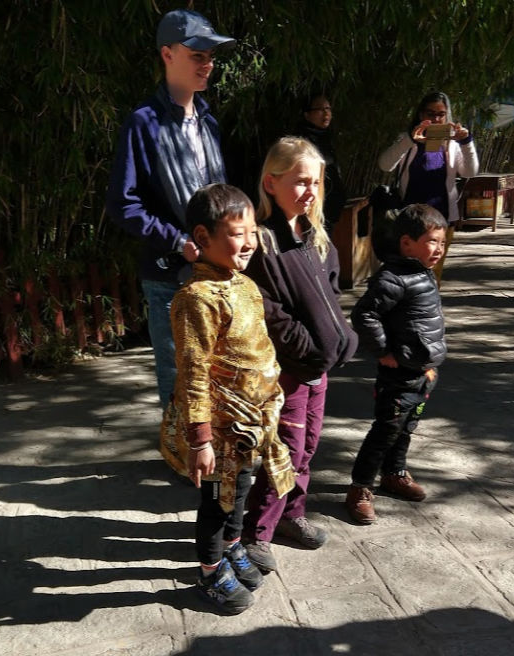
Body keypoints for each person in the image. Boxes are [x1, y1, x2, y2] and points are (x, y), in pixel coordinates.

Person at [158, 184, 295, 615]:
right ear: (202, 236)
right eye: (238, 233)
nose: (250, 242)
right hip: (218, 432)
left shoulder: (245, 286)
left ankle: (234, 546)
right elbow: (193, 370)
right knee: (217, 500)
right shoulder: (196, 300)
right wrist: (200, 439)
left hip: (249, 426)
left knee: (241, 491)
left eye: (253, 231)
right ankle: (210, 571)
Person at [105, 9, 234, 420]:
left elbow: (219, 196)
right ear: (167, 54)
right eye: (197, 55)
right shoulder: (144, 123)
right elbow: (123, 203)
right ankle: (181, 452)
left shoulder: (208, 120)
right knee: (181, 382)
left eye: (210, 56)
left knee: (219, 377)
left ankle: (212, 452)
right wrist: (177, 240)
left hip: (216, 272)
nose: (207, 64)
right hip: (169, 277)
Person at [241, 137, 358, 572]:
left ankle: (291, 515)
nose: (310, 191)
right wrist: (308, 349)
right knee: (284, 450)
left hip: (317, 368)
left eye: (315, 182)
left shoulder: (315, 236)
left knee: (307, 447)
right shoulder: (261, 243)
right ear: (271, 183)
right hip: (288, 370)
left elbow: (331, 294)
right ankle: (257, 532)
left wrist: (339, 339)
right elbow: (267, 312)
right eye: (300, 181)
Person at [344, 204, 447, 524]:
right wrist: (383, 351)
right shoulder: (393, 278)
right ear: (406, 243)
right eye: (432, 242)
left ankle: (395, 472)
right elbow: (364, 314)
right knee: (385, 430)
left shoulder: (423, 273)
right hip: (397, 374)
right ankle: (360, 487)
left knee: (406, 428)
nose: (439, 249)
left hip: (422, 372)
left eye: (442, 242)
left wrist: (429, 364)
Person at [377, 91, 479, 283]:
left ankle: (429, 301)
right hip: (410, 219)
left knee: (433, 272)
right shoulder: (408, 140)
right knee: (405, 270)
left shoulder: (452, 144)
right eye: (430, 114)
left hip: (441, 219)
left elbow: (470, 171)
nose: (436, 119)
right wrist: (410, 140)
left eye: (441, 114)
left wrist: (466, 142)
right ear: (420, 114)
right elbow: (385, 165)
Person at [293, 93, 348, 231]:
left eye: (328, 109)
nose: (326, 113)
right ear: (307, 115)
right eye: (320, 109)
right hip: (313, 210)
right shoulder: (302, 142)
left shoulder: (329, 137)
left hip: (330, 211)